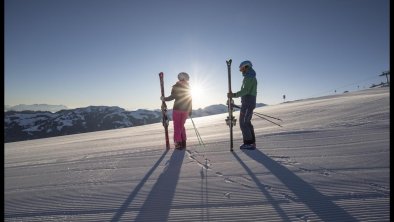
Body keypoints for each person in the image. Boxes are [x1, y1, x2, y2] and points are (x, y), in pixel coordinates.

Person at [228, 60, 257, 149]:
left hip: (248, 103)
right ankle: (251, 142)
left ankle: (248, 143)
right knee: (247, 122)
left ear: (246, 67)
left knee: (243, 123)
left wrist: (234, 95)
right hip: (248, 102)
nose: (241, 71)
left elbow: (246, 91)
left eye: (242, 69)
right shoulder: (249, 77)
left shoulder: (249, 77)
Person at [161, 72, 192, 150]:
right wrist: (190, 110)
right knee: (181, 126)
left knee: (177, 127)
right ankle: (183, 142)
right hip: (185, 110)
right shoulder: (188, 87)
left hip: (177, 109)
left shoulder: (176, 86)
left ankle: (178, 143)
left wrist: (164, 99)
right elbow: (190, 99)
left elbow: (172, 96)